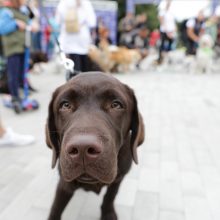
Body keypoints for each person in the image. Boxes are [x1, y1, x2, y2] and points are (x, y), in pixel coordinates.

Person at [0, 0, 37, 113]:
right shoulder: (6, 12)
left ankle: (22, 95)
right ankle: (15, 97)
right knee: (13, 74)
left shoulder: (22, 10)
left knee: (23, 72)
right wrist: (15, 24)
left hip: (23, 47)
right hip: (13, 48)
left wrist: (32, 24)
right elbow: (2, 28)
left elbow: (30, 20)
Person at [55, 0, 96, 74]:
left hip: (68, 40)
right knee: (84, 69)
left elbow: (57, 21)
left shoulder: (63, 3)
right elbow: (92, 22)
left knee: (72, 70)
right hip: (82, 40)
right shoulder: (86, 3)